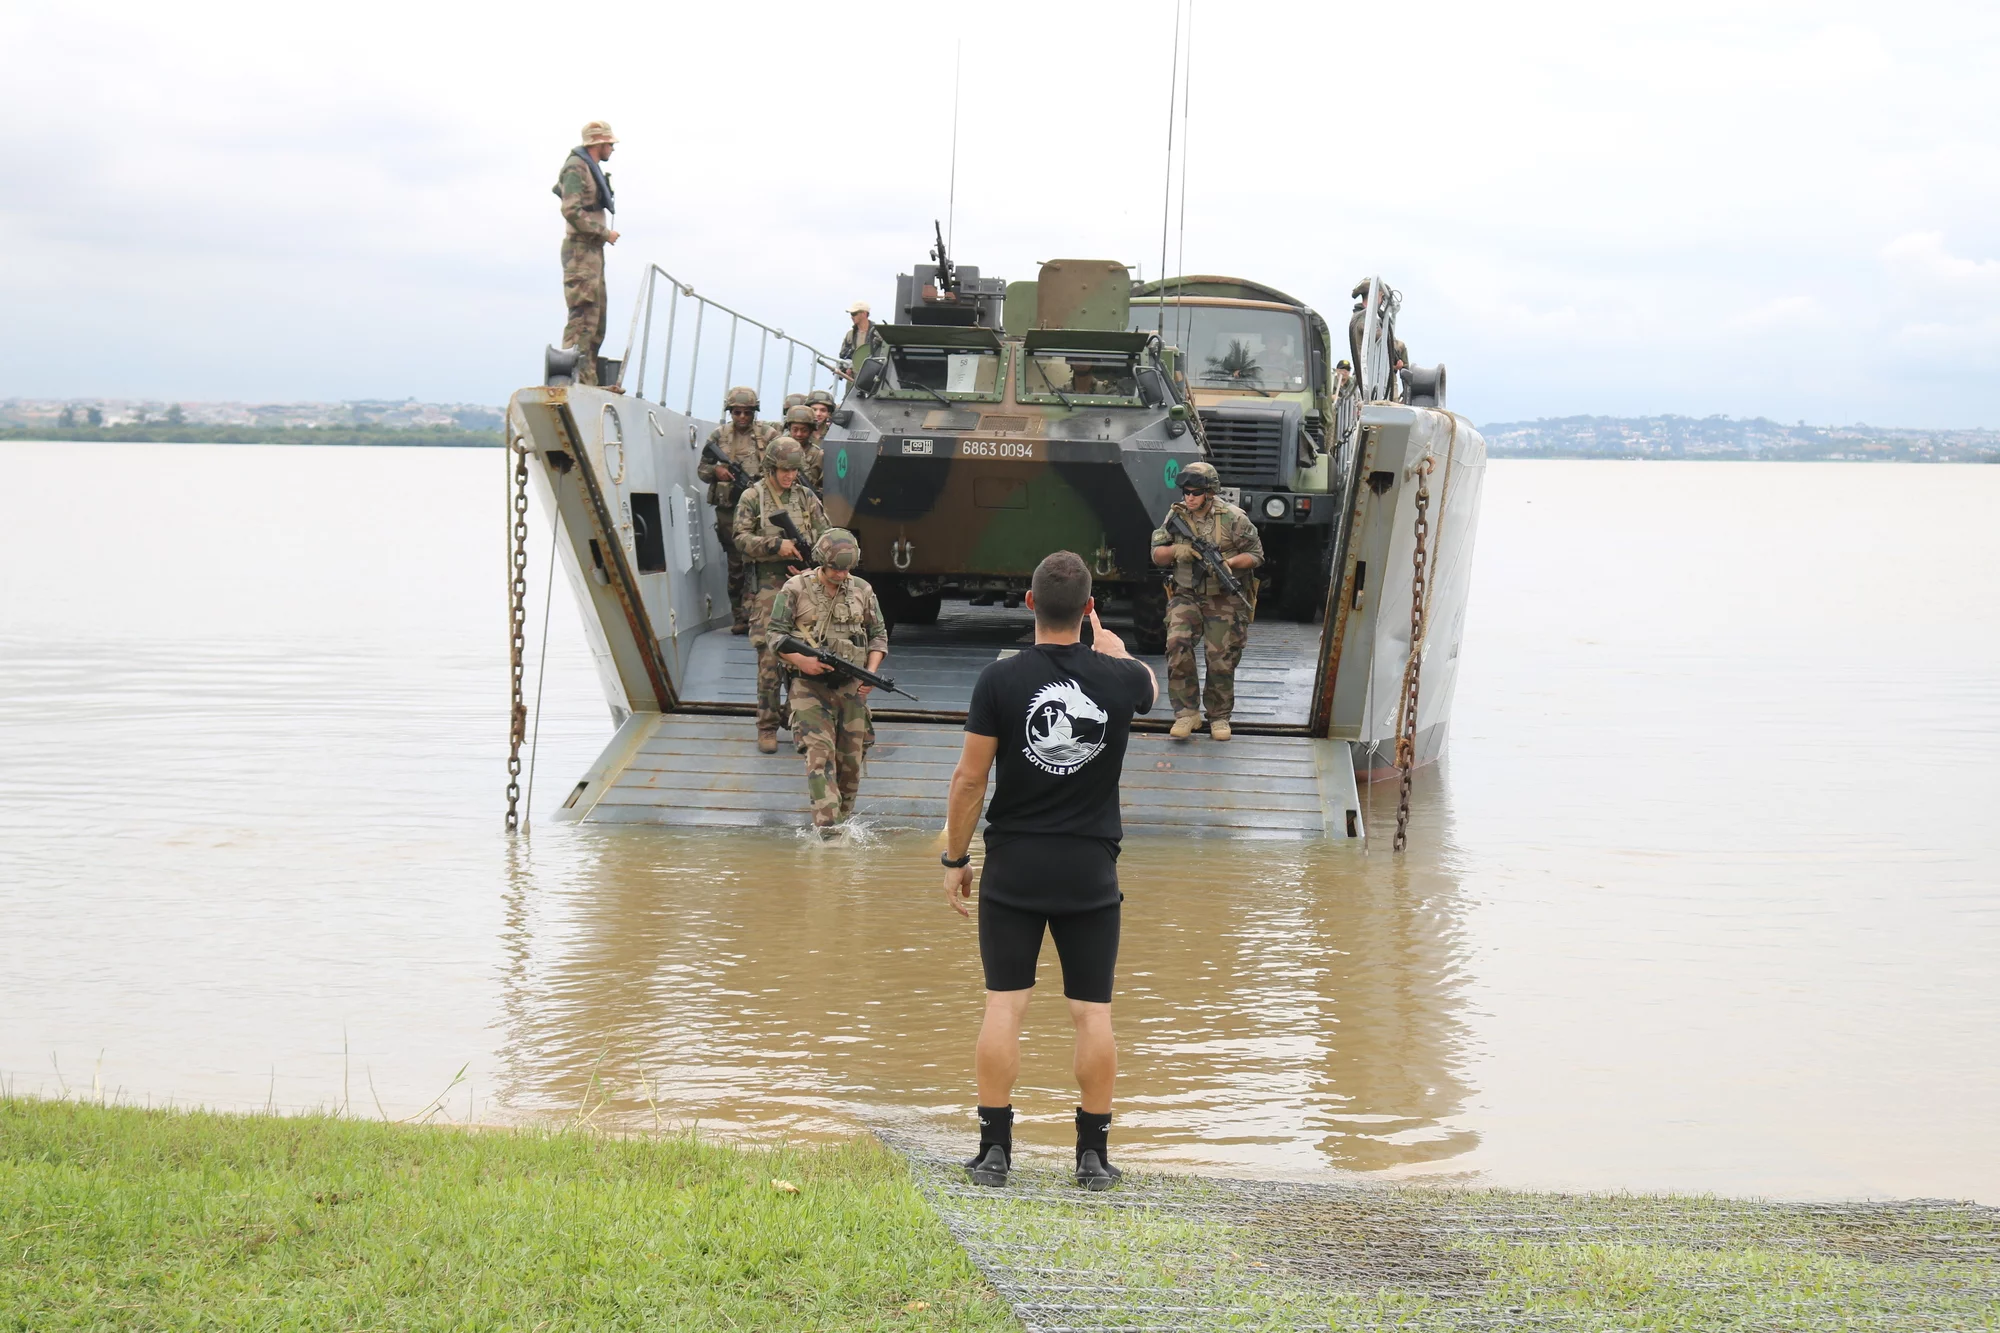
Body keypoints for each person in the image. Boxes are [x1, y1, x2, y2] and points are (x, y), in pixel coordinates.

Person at [942, 551, 1159, 1192]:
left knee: (1003, 1008)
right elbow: (1147, 683)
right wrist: (1111, 646)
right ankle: (1092, 1157)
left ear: (1030, 604)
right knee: (1092, 1015)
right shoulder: (1121, 680)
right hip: (1090, 869)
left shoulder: (999, 680)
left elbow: (969, 779)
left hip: (1014, 868)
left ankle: (994, 1153)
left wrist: (956, 857)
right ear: (1089, 609)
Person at [769, 529, 887, 831]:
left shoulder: (862, 590)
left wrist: (871, 672)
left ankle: (841, 823)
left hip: (851, 690)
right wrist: (802, 661)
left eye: (847, 568)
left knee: (851, 765)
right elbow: (774, 636)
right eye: (835, 567)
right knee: (819, 760)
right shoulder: (795, 589)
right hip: (809, 690)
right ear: (822, 562)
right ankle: (829, 833)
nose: (841, 574)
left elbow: (878, 636)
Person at [1150, 461, 1263, 741]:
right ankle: (1186, 713)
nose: (1189, 497)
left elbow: (1257, 555)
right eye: (1186, 491)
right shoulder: (1175, 516)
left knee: (1221, 659)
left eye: (1196, 492)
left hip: (1222, 599)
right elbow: (1156, 555)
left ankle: (1219, 717)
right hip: (1186, 594)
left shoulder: (1234, 518)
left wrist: (1229, 563)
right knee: (1177, 645)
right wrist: (1177, 550)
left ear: (1210, 492)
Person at [734, 438, 830, 753]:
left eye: (793, 470)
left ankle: (803, 721)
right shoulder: (753, 497)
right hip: (768, 588)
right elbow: (741, 539)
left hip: (803, 584)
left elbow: (825, 537)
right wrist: (777, 546)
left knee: (810, 656)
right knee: (769, 658)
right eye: (784, 469)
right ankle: (767, 726)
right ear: (771, 467)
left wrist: (810, 567)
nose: (789, 476)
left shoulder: (806, 497)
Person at [698, 386, 776, 634]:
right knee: (736, 564)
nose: (742, 417)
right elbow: (702, 470)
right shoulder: (718, 436)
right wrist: (716, 472)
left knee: (764, 561)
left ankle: (761, 614)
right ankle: (739, 616)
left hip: (760, 508)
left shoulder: (769, 435)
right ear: (730, 412)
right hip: (729, 510)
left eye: (747, 412)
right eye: (737, 412)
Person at [552, 121, 621, 388]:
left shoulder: (588, 169)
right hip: (580, 250)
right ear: (597, 144)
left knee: (595, 320)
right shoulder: (575, 168)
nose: (612, 148)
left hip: (591, 250)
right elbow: (571, 210)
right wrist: (603, 233)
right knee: (582, 317)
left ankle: (588, 380)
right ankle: (575, 381)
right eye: (609, 143)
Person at [777, 403, 825, 491]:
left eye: (804, 430)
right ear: (789, 428)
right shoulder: (777, 449)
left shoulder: (817, 455)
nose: (799, 434)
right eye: (795, 430)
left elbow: (815, 484)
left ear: (811, 431)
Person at [838, 301, 881, 377]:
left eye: (854, 314)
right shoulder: (850, 335)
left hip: (873, 378)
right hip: (853, 379)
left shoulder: (878, 334)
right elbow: (843, 356)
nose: (851, 317)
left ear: (864, 314)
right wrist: (845, 369)